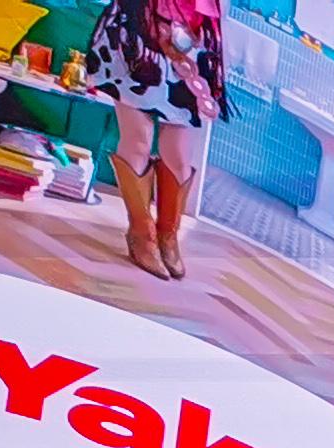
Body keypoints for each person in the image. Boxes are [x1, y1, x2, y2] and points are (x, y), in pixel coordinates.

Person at [89, 0, 229, 282]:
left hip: (189, 44)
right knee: (138, 138)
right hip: (137, 31)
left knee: (178, 154)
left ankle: (168, 235)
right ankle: (142, 233)